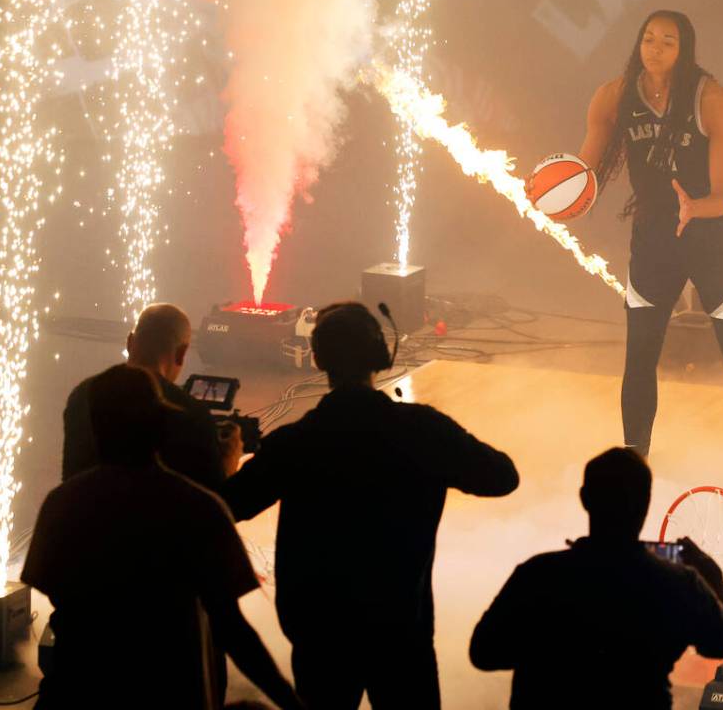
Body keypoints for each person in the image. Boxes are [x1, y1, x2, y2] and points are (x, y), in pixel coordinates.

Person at [220, 301, 520, 709]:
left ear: (319, 358)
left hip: (320, 635)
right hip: (400, 632)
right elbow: (503, 477)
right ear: (382, 355)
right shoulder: (424, 430)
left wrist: (223, 460)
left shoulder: (296, 442)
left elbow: (226, 506)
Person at [569, 9, 723, 460]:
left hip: (714, 234)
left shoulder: (713, 101)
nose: (656, 48)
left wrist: (695, 208)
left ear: (684, 49)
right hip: (657, 235)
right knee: (640, 357)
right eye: (649, 38)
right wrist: (560, 193)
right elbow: (583, 173)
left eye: (668, 41)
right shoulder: (613, 97)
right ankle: (636, 464)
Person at [21, 364, 302, 710]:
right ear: (160, 425)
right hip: (172, 691)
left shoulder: (61, 504)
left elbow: (50, 587)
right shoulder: (198, 507)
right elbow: (232, 628)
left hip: (76, 689)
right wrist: (288, 700)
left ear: (95, 428)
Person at [469, 447, 723, 709]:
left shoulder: (538, 573)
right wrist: (714, 577)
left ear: (584, 498)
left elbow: (483, 653)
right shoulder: (677, 583)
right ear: (646, 502)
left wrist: (552, 653)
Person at [62, 302, 229, 489]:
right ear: (181, 354)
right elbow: (215, 502)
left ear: (130, 342)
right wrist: (227, 464)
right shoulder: (192, 414)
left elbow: (71, 476)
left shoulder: (82, 395)